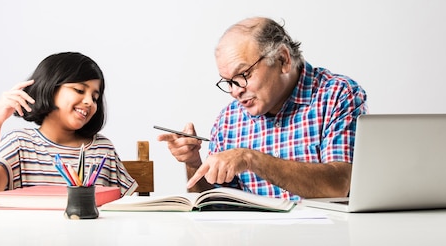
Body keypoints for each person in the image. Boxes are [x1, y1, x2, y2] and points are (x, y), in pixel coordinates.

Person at [157, 17, 368, 201]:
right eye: (228, 82)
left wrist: (251, 159)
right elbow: (215, 204)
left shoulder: (338, 95)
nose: (235, 92)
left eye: (243, 75)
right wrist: (193, 163)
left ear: (282, 59)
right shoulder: (229, 120)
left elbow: (338, 185)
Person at [0, 52, 137, 204]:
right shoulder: (19, 144)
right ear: (50, 89)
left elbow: (127, 209)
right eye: (79, 90)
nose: (89, 102)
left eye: (95, 97)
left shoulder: (102, 149)